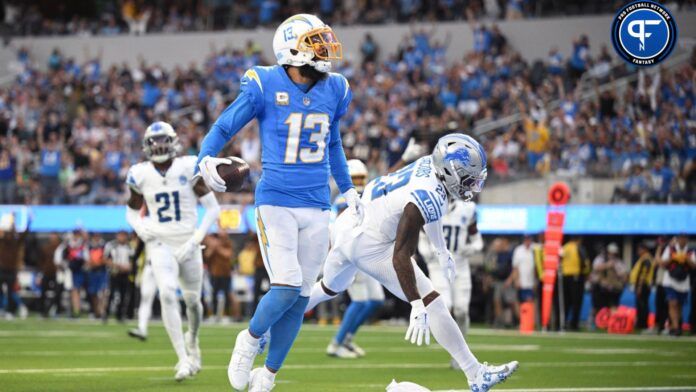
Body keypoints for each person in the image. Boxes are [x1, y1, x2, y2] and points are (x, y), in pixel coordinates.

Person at [195, 14, 360, 391]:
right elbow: (224, 125)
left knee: (301, 297)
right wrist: (204, 157)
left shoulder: (335, 88)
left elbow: (332, 142)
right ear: (292, 49)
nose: (324, 50)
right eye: (315, 42)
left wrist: (347, 188)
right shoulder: (264, 83)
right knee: (286, 286)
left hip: (318, 203)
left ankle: (268, 375)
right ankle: (249, 339)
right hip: (276, 202)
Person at [306, 134, 518, 391]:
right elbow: (400, 256)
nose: (472, 185)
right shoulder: (426, 195)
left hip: (349, 223)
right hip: (369, 242)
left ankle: (272, 324)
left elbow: (435, 210)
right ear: (451, 170)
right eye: (468, 178)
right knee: (434, 301)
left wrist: (441, 250)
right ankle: (476, 374)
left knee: (328, 287)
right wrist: (417, 304)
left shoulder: (430, 165)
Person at [125, 121, 221, 380]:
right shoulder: (140, 173)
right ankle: (183, 359)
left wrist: (195, 240)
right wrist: (140, 227)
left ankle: (193, 340)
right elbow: (132, 211)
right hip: (159, 242)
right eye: (154, 141)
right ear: (147, 145)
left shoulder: (188, 167)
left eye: (163, 140)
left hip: (189, 242)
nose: (159, 146)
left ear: (173, 141)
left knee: (193, 302)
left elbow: (213, 209)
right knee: (166, 292)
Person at [327, 160, 386, 359]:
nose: (359, 182)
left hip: (368, 254)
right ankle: (336, 344)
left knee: (376, 300)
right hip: (352, 253)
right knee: (360, 302)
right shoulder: (344, 200)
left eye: (362, 178)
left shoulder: (368, 195)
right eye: (355, 178)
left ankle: (347, 338)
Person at [418, 189, 483, 367]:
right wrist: (427, 254)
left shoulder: (467, 209)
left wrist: (471, 249)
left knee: (461, 311)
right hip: (438, 266)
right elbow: (422, 238)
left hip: (460, 265)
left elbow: (477, 240)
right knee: (446, 306)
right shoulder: (431, 209)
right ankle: (455, 350)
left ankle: (461, 353)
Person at [659, 235, 695, 336]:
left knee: (679, 304)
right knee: (673, 303)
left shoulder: (690, 251)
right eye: (680, 238)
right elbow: (662, 263)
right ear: (677, 239)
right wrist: (673, 257)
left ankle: (676, 325)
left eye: (684, 238)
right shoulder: (670, 249)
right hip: (670, 280)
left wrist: (686, 258)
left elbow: (694, 265)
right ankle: (675, 327)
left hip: (683, 281)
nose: (682, 240)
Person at [0, 214, 30, 319]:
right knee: (6, 291)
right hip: (2, 269)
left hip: (11, 270)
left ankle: (10, 310)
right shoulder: (3, 241)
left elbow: (24, 234)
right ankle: (3, 309)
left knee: (10, 292)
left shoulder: (15, 242)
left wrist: (29, 222)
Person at [128, 237, 157, 341]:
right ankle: (142, 328)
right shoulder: (148, 227)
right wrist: (133, 265)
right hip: (150, 266)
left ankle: (181, 331)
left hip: (168, 266)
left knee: (169, 297)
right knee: (145, 298)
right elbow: (140, 245)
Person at [102, 231, 134, 323]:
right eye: (120, 236)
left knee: (124, 295)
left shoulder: (129, 246)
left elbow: (132, 260)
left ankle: (120, 315)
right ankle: (106, 314)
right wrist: (117, 266)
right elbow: (105, 259)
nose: (122, 238)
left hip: (125, 273)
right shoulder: (111, 245)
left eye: (124, 236)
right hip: (114, 272)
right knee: (110, 294)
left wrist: (128, 267)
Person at [203, 233, 235, 320]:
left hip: (226, 274)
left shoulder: (227, 244)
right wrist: (212, 248)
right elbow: (207, 256)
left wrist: (217, 247)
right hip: (214, 274)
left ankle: (227, 316)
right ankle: (213, 315)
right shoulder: (212, 247)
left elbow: (227, 254)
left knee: (227, 294)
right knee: (214, 295)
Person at [561, 237, 590, 331]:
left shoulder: (564, 248)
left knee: (566, 302)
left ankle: (563, 322)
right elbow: (585, 263)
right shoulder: (579, 248)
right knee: (576, 302)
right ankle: (574, 324)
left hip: (564, 277)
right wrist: (586, 273)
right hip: (576, 277)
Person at [507, 235, 538, 321]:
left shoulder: (535, 249)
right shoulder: (519, 250)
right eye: (526, 239)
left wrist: (535, 280)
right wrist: (516, 280)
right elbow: (515, 267)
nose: (527, 241)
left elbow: (536, 267)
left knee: (530, 301)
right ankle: (522, 321)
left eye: (529, 239)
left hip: (531, 282)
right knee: (520, 302)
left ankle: (530, 321)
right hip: (521, 282)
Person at [591, 243, 628, 311]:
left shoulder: (618, 261)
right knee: (598, 307)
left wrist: (618, 275)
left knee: (612, 307)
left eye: (614, 253)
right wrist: (607, 265)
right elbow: (595, 268)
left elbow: (624, 274)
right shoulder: (600, 258)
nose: (612, 255)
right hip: (599, 289)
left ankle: (610, 320)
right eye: (610, 253)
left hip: (612, 290)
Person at [629, 242, 654, 331]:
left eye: (640, 249)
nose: (638, 251)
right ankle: (640, 324)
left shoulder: (646, 259)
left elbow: (643, 273)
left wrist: (639, 286)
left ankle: (643, 324)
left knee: (642, 305)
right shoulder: (644, 258)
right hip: (642, 285)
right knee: (640, 305)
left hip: (643, 285)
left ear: (644, 250)